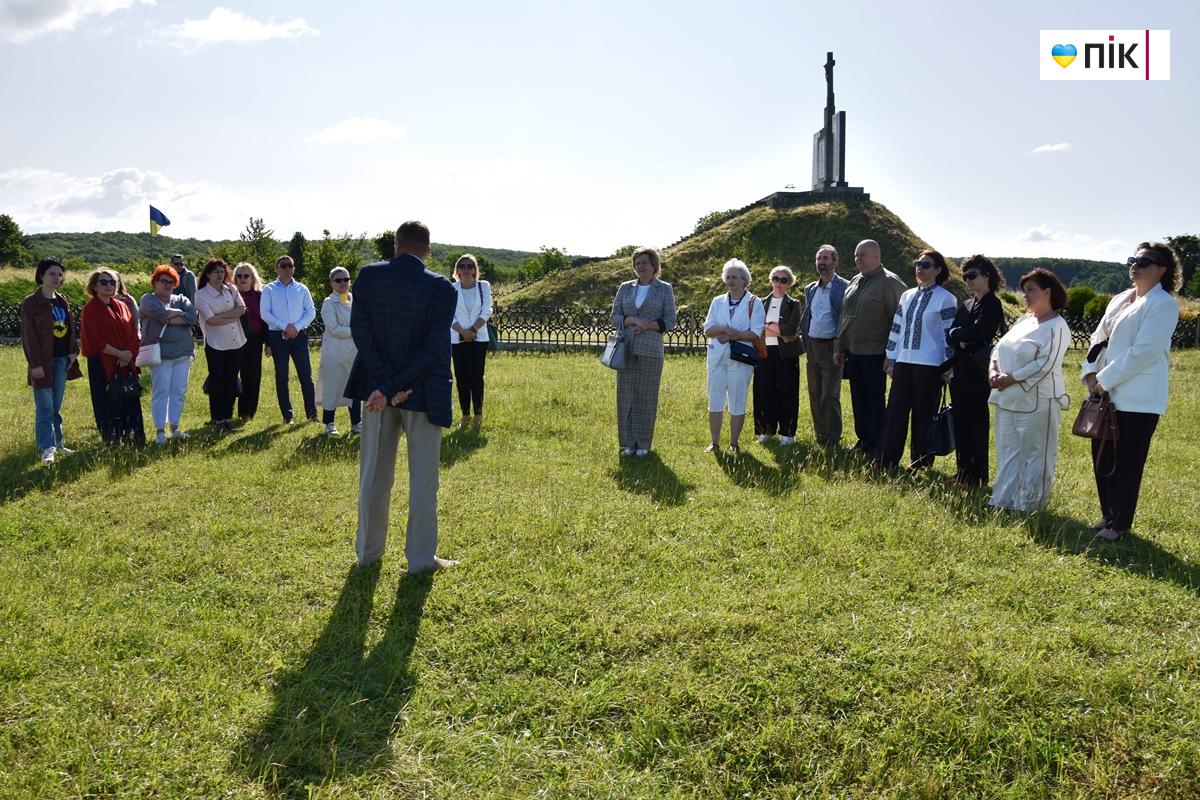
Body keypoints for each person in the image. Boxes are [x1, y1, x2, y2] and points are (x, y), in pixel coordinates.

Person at [346, 220, 459, 573]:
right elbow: (432, 348)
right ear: (427, 249)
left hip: (376, 393)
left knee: (373, 478)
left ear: (396, 244)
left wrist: (384, 386)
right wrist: (399, 385)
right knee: (423, 483)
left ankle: (368, 553)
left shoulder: (367, 275)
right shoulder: (443, 287)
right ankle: (421, 559)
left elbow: (360, 334)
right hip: (422, 391)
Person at [1083, 242, 1181, 542]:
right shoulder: (1120, 300)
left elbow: (1145, 351)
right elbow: (1098, 339)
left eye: (1145, 261)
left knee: (1128, 461)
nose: (1135, 265)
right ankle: (1107, 514)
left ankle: (1120, 522)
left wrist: (1105, 379)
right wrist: (1088, 373)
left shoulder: (1163, 304)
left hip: (1139, 398)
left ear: (1162, 269)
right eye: (1133, 260)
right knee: (1102, 456)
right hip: (1105, 392)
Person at [988, 268, 1071, 512]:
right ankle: (1002, 499)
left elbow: (1046, 364)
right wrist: (993, 371)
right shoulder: (1024, 320)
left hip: (1038, 400)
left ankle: (1030, 504)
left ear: (1048, 291)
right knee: (1008, 449)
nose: (1026, 295)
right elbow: (999, 347)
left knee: (1036, 453)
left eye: (1031, 290)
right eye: (1024, 291)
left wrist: (1012, 377)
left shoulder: (1057, 327)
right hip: (1007, 397)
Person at [874, 250, 958, 470]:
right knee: (895, 412)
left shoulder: (946, 299)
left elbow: (950, 335)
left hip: (931, 365)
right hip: (904, 361)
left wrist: (949, 368)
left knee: (924, 414)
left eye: (926, 265)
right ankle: (886, 460)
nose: (920, 268)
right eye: (918, 263)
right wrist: (890, 357)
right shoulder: (907, 295)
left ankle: (920, 463)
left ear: (938, 270)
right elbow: (897, 327)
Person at [834, 240, 907, 454]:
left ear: (877, 256)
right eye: (856, 255)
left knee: (874, 401)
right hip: (854, 353)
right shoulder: (856, 280)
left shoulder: (890, 282)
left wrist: (891, 355)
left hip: (876, 354)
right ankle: (864, 440)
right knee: (859, 400)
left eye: (863, 255)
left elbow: (900, 319)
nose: (858, 260)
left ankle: (877, 444)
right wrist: (840, 347)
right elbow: (845, 316)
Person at [609, 247, 677, 456]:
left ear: (654, 266)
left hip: (651, 350)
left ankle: (644, 444)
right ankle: (629, 443)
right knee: (626, 395)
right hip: (625, 349)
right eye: (637, 263)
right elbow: (614, 317)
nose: (640, 267)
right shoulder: (625, 288)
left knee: (646, 397)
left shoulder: (664, 289)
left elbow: (670, 320)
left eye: (644, 263)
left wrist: (647, 326)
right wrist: (631, 320)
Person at [946, 255, 1005, 487]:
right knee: (960, 421)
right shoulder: (968, 304)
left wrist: (962, 335)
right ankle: (962, 472)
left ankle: (976, 476)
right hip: (960, 369)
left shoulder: (992, 304)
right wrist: (961, 336)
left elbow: (979, 334)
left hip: (978, 371)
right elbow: (952, 334)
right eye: (965, 276)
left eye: (972, 275)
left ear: (986, 276)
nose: (967, 280)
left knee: (976, 423)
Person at [20, 257, 82, 464]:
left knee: (56, 406)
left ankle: (58, 444)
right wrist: (35, 364)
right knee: (45, 407)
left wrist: (74, 351)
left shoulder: (62, 300)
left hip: (62, 360)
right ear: (41, 276)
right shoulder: (31, 303)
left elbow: (70, 330)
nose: (57, 277)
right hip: (43, 363)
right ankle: (46, 448)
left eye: (59, 274)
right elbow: (29, 337)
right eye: (52, 274)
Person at [703, 258, 765, 453]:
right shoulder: (717, 301)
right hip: (717, 358)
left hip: (740, 359)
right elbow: (707, 329)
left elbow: (755, 332)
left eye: (735, 277)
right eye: (728, 277)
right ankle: (714, 443)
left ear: (744, 281)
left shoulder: (754, 303)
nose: (731, 280)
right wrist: (723, 329)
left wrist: (732, 335)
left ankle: (734, 443)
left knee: (737, 400)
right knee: (715, 399)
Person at [80, 267, 145, 445]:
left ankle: (132, 436)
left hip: (125, 362)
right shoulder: (90, 309)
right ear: (94, 286)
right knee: (106, 399)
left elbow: (133, 333)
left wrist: (127, 356)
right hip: (102, 362)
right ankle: (112, 438)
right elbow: (94, 340)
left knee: (128, 397)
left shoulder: (123, 306)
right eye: (104, 282)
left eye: (112, 282)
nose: (109, 285)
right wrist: (119, 354)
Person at [139, 265, 197, 444]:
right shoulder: (148, 299)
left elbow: (192, 316)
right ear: (155, 282)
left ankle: (175, 427)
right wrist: (178, 315)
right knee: (161, 392)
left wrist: (170, 316)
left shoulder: (181, 298)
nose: (167, 285)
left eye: (171, 282)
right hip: (160, 355)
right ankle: (159, 432)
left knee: (178, 391)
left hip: (183, 353)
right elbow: (158, 313)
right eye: (163, 281)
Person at [800, 244, 849, 447]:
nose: (822, 262)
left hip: (832, 347)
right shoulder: (810, 288)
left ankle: (833, 437)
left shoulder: (845, 287)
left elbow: (846, 317)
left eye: (826, 259)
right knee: (814, 392)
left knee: (829, 394)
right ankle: (820, 434)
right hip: (813, 345)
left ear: (835, 262)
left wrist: (842, 346)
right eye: (819, 259)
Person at [260, 255, 317, 423]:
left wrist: (296, 327)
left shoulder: (302, 289)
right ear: (276, 269)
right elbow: (265, 313)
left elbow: (311, 312)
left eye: (290, 266)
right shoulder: (269, 289)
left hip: (299, 336)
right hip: (278, 336)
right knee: (282, 376)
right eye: (283, 266)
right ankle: (287, 416)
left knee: (306, 376)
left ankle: (312, 414)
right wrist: (285, 326)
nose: (287, 269)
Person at [194, 258, 246, 434]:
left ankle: (228, 418)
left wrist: (224, 316)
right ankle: (217, 419)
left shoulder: (231, 289)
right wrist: (233, 316)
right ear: (208, 274)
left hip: (236, 341)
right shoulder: (201, 294)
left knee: (231, 380)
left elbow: (242, 309)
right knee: (217, 382)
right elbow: (211, 320)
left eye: (222, 272)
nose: (219, 275)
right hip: (216, 344)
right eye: (216, 272)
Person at [753, 265, 802, 445]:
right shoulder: (760, 302)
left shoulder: (794, 304)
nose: (779, 283)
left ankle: (788, 433)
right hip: (764, 352)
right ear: (771, 280)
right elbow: (757, 326)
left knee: (787, 391)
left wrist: (770, 327)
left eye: (784, 280)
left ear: (789, 283)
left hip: (786, 354)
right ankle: (766, 430)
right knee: (764, 390)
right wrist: (778, 330)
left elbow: (791, 328)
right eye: (776, 279)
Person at [450, 254, 495, 429]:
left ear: (475, 269)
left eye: (470, 266)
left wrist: (472, 331)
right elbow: (449, 314)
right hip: (457, 338)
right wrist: (462, 332)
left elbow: (486, 311)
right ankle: (465, 415)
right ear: (457, 269)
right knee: (461, 378)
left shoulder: (483, 287)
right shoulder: (451, 288)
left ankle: (478, 414)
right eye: (462, 266)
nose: (466, 269)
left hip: (479, 337)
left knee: (476, 377)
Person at [318, 266, 362, 436]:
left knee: (355, 388)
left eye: (346, 279)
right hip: (335, 353)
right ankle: (329, 423)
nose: (343, 283)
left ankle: (356, 423)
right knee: (333, 387)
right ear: (332, 283)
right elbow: (333, 328)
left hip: (354, 352)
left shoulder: (355, 300)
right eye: (338, 280)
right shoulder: (329, 303)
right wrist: (356, 331)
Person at [233, 262, 268, 420]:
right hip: (232, 339)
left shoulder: (261, 296)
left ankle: (246, 412)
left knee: (252, 377)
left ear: (252, 278)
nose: (242, 278)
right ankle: (225, 412)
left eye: (246, 275)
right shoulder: (230, 295)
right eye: (239, 276)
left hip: (254, 339)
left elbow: (266, 321)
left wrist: (269, 343)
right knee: (230, 376)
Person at [115, 273, 139, 337]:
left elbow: (136, 319)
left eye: (115, 281)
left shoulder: (128, 299)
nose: (110, 284)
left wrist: (136, 336)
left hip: (129, 338)